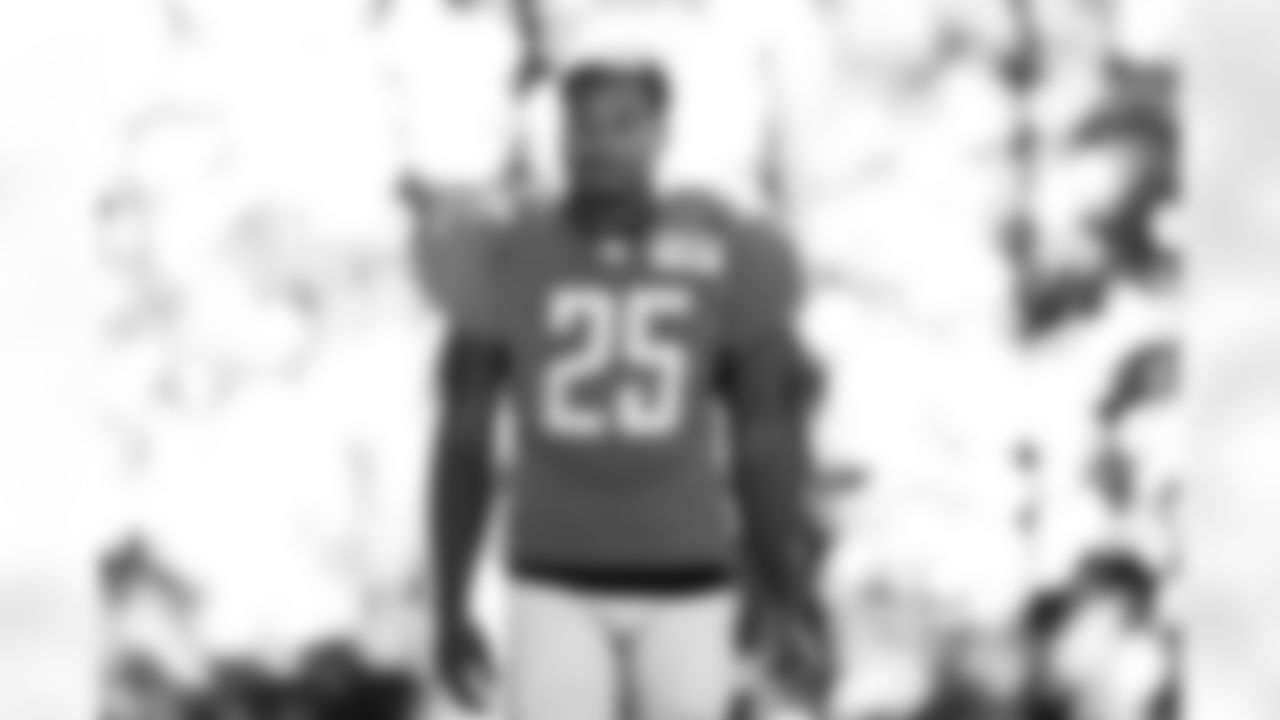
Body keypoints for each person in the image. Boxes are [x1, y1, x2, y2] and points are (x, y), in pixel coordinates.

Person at [425, 57, 828, 720]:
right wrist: (449, 605)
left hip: (690, 571)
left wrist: (788, 584)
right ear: (560, 134)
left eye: (623, 122)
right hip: (551, 571)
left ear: (663, 132)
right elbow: (464, 442)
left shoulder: (725, 247)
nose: (601, 142)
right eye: (583, 124)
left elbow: (764, 438)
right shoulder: (508, 251)